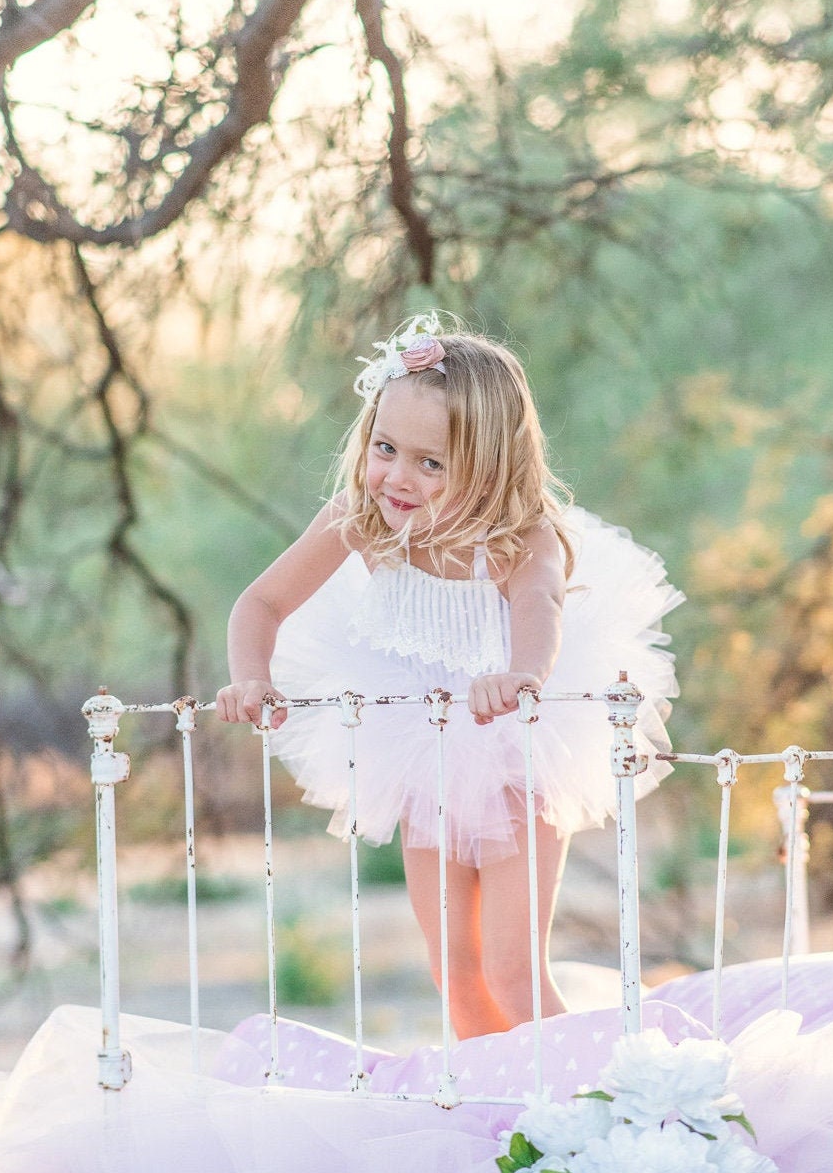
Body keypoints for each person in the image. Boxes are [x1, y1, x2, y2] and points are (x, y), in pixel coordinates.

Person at [216, 312, 682, 1039]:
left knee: (511, 971)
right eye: (385, 448)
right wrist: (251, 677)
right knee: (453, 972)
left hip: (517, 750)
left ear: (489, 467)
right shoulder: (359, 519)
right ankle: (499, 1119)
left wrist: (522, 673)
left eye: (430, 463)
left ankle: (605, 1105)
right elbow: (261, 602)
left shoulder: (519, 540)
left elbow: (540, 606)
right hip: (420, 750)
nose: (398, 477)